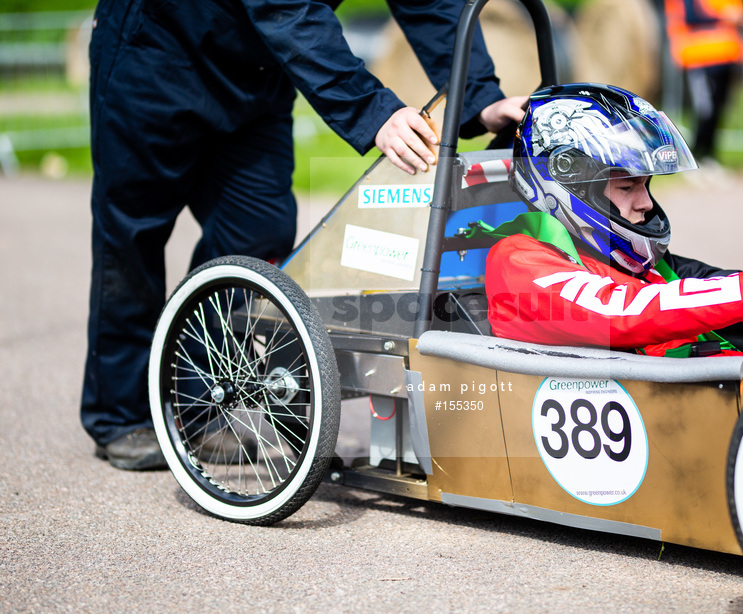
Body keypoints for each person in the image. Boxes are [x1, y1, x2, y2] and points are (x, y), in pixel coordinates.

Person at [85, 0, 526, 471]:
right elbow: (285, 4)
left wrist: (481, 97)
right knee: (133, 239)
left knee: (258, 232)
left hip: (256, 75)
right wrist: (372, 109)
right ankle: (120, 416)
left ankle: (199, 404)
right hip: (155, 52)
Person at [485, 83, 743, 363]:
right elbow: (624, 311)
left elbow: (707, 295)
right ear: (570, 182)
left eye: (645, 185)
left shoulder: (629, 262)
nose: (645, 204)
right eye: (627, 186)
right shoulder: (518, 260)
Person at [664, 0, 743, 168]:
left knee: (718, 108)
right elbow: (690, 17)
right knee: (705, 109)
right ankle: (697, 154)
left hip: (725, 56)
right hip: (700, 57)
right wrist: (723, 18)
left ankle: (709, 153)